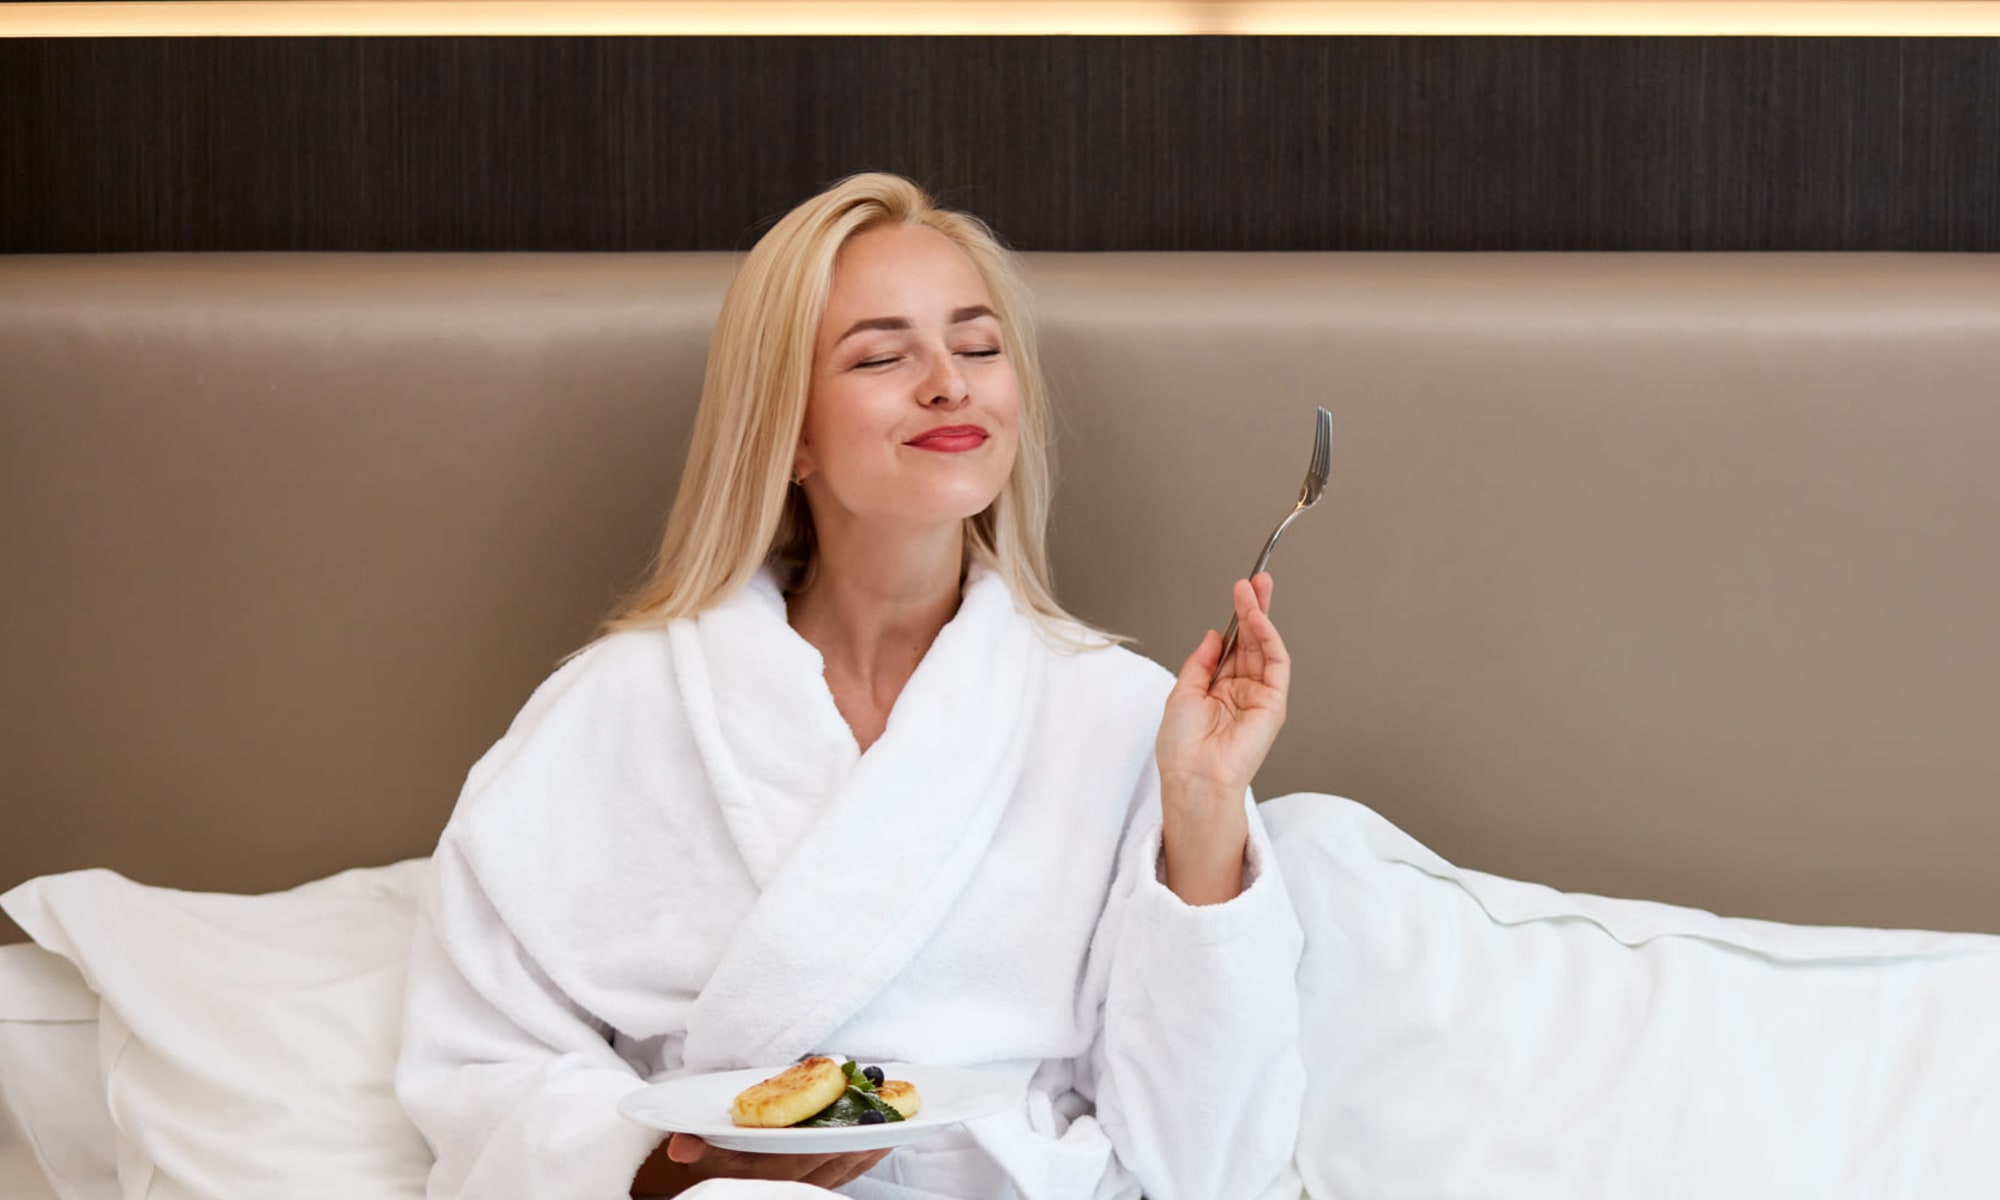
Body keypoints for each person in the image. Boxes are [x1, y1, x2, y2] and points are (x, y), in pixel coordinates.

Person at [394, 173, 1306, 1200]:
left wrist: (1200, 808)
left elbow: (1209, 1158)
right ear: (787, 433)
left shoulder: (1124, 716)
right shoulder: (616, 708)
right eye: (881, 356)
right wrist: (670, 1170)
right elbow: (478, 1066)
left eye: (977, 346)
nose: (948, 385)